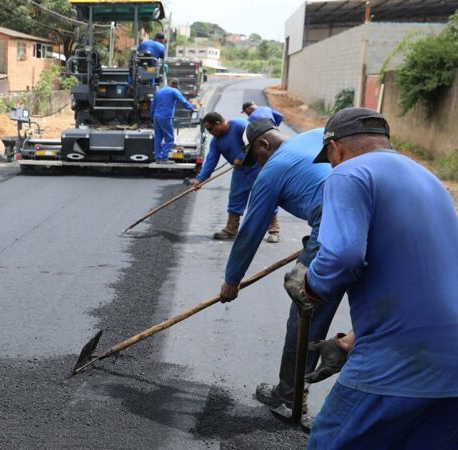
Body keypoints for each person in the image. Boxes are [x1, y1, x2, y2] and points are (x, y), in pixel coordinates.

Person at [285, 108, 458, 448]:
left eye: (330, 159)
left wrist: (310, 286)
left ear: (336, 149)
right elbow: (423, 279)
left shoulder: (349, 173)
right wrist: (350, 340)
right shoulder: (429, 181)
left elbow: (343, 258)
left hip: (398, 361)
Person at [217, 119, 338, 413]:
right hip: (360, 215)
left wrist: (232, 280)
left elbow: (251, 230)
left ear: (264, 145)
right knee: (352, 313)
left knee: (304, 312)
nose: (256, 164)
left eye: (255, 157)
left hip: (331, 227)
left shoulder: (271, 171)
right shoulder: (310, 135)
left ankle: (289, 393)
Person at [192, 112, 281, 242]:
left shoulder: (239, 125)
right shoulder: (216, 141)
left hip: (258, 167)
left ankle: (274, 230)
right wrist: (201, 179)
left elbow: (253, 139)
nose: (209, 132)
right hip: (240, 172)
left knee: (265, 197)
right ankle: (231, 229)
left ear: (218, 124)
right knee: (235, 198)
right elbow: (211, 160)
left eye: (210, 129)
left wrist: (241, 157)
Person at [151, 78, 196, 163]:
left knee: (158, 137)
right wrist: (191, 108)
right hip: (165, 117)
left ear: (169, 83)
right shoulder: (174, 91)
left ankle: (157, 158)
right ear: (175, 85)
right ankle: (164, 158)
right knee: (169, 138)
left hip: (156, 117)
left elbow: (153, 105)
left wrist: (152, 116)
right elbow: (183, 101)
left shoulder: (159, 92)